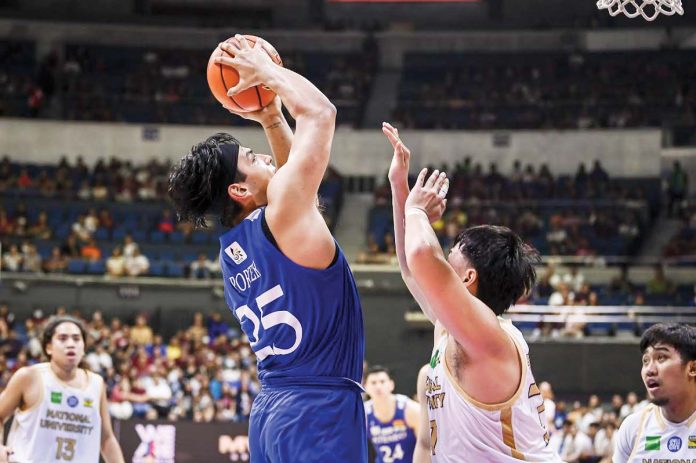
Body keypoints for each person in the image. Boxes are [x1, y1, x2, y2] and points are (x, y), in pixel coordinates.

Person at [168, 35, 365, 462]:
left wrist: (272, 116)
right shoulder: (283, 216)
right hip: (320, 409)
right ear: (238, 188)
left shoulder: (233, 249)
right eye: (253, 158)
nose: (267, 160)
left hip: (272, 412)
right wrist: (267, 73)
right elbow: (321, 113)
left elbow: (304, 198)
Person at [383, 122, 560, 462]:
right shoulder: (453, 326)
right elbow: (409, 265)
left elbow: (421, 256)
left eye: (455, 249)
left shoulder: (487, 335)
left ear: (468, 277)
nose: (446, 252)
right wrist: (398, 186)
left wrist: (417, 211)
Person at [0, 316, 124, 463]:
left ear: (84, 348)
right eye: (63, 338)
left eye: (77, 339)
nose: (71, 344)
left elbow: (107, 439)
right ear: (48, 347)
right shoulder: (29, 377)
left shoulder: (96, 384)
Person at [613, 323, 696, 462]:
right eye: (645, 361)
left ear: (692, 368)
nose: (649, 370)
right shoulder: (633, 428)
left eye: (661, 358)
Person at [364, 365, 419, 463]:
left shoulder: (410, 409)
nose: (378, 387)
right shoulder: (363, 414)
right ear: (365, 388)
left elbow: (426, 445)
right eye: (373, 383)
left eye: (382, 382)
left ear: (391, 385)